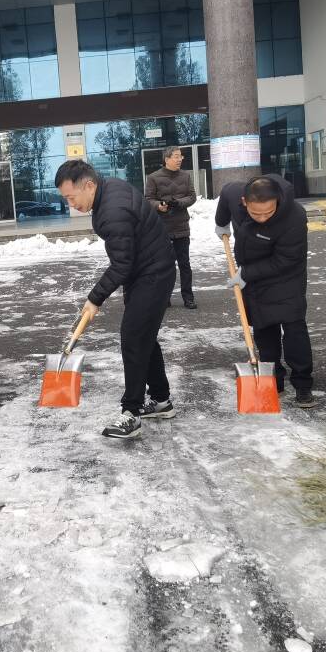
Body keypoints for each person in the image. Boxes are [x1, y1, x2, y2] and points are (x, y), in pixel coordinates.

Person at [55, 159, 176, 440]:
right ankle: (161, 400)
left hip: (153, 273)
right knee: (143, 337)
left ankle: (131, 412)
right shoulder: (109, 188)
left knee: (133, 339)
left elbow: (121, 264)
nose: (70, 204)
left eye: (71, 197)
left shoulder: (113, 210)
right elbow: (126, 261)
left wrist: (95, 298)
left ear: (89, 185)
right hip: (146, 269)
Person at [215, 174, 316, 409]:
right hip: (255, 278)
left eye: (268, 213)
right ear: (244, 202)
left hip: (287, 276)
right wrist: (221, 222)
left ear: (278, 201)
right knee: (263, 327)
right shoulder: (236, 194)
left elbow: (286, 260)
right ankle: (273, 380)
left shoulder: (294, 217)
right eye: (255, 213)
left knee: (294, 328)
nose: (262, 218)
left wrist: (246, 274)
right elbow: (226, 194)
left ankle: (303, 384)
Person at [144, 146, 198, 309]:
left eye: (180, 156)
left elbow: (192, 197)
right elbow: (148, 199)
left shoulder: (186, 176)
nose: (180, 159)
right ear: (166, 159)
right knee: (164, 266)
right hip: (162, 228)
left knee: (184, 265)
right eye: (176, 156)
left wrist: (179, 203)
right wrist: (158, 206)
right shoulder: (153, 177)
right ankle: (164, 298)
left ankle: (188, 298)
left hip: (181, 226)